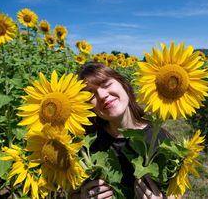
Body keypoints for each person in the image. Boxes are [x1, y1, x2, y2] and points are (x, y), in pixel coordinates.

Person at [71, 62, 176, 199]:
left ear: (124, 85)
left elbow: (176, 192)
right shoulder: (87, 147)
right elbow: (72, 193)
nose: (102, 95)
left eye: (106, 84)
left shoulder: (159, 139)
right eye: (91, 94)